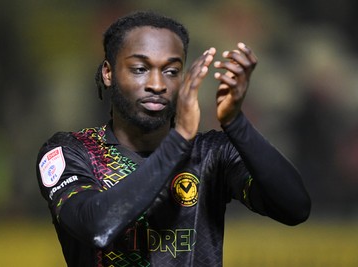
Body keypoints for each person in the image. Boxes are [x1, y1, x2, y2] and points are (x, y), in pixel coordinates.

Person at [36, 11, 311, 267]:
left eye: (171, 71)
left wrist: (235, 123)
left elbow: (295, 208)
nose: (157, 84)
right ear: (108, 73)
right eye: (140, 69)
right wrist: (178, 141)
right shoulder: (73, 151)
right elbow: (97, 227)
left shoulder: (210, 155)